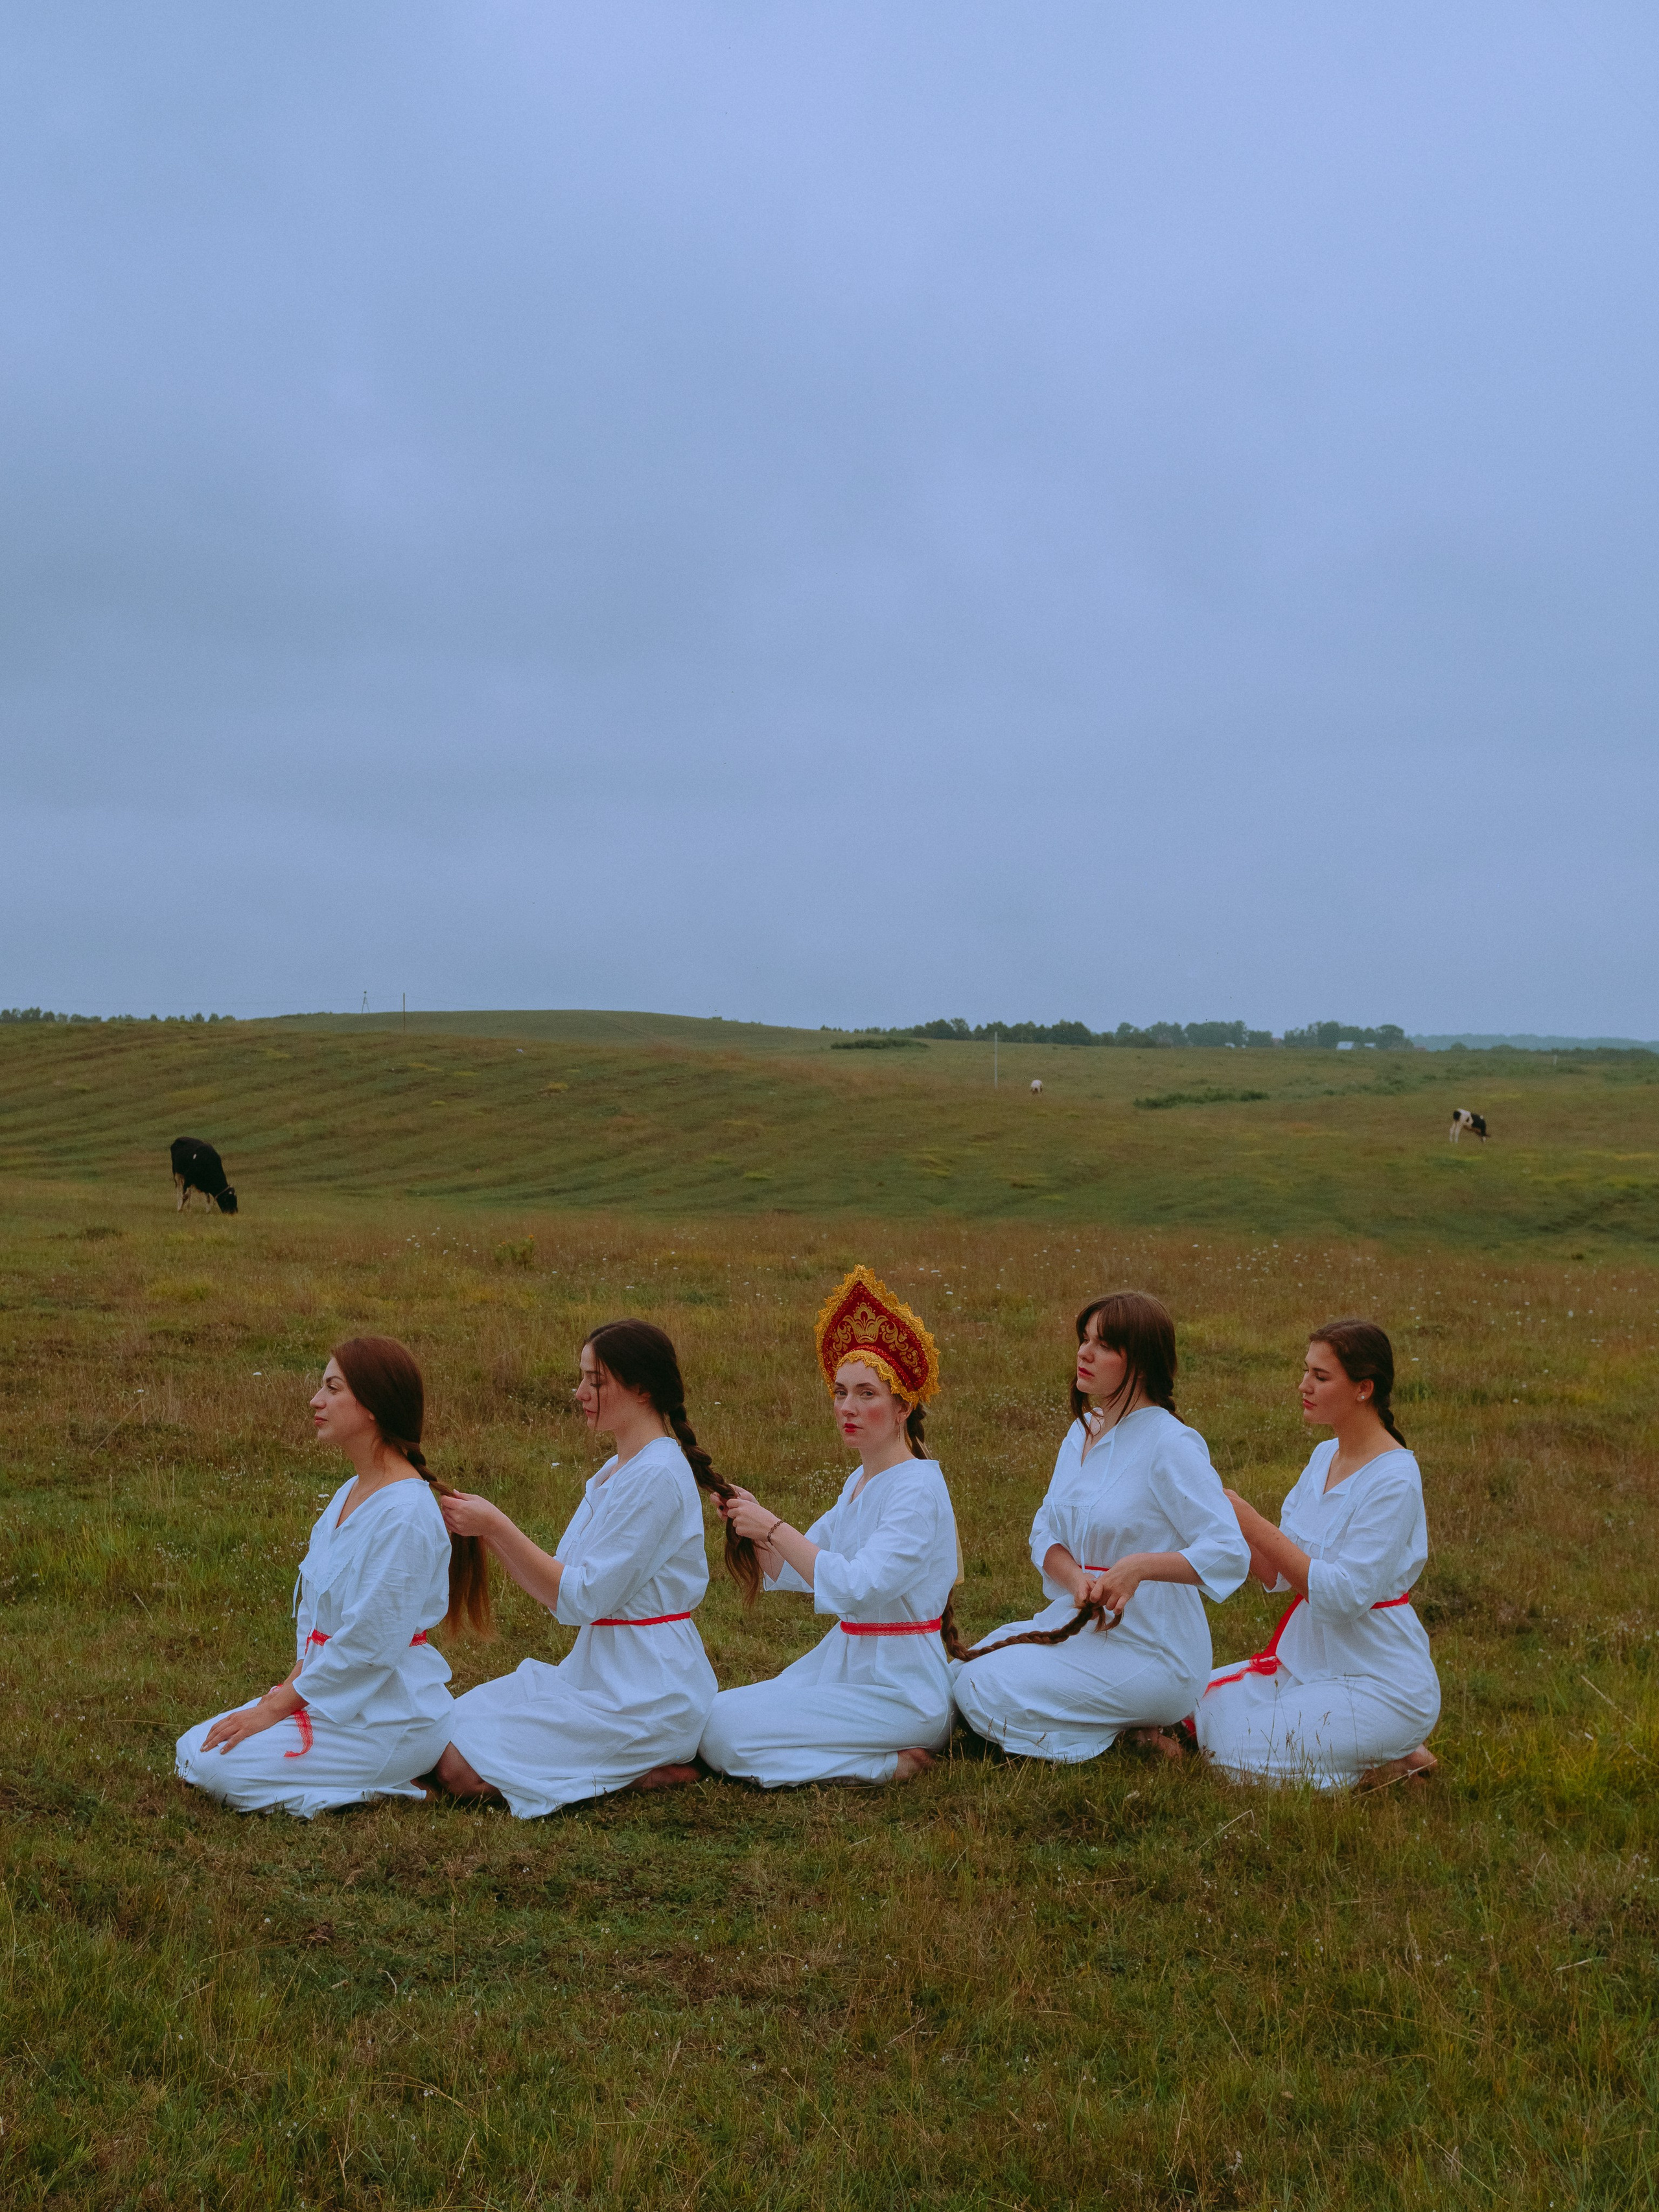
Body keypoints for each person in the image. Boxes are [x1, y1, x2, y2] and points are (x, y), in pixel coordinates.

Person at [433, 1320, 758, 1817]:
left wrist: (496, 1526)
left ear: (642, 1389)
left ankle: (647, 1768)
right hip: (594, 1673)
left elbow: (579, 1598)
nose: (580, 1392)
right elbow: (561, 1582)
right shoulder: (615, 1471)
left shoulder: (658, 1477)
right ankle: (622, 1763)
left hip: (648, 1692)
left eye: (596, 1381)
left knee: (458, 1769)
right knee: (439, 1729)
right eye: (582, 1378)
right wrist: (486, 1531)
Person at [175, 1336, 488, 1817]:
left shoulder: (405, 1513)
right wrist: (285, 1691)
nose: (315, 1400)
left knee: (219, 1772)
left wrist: (275, 1709)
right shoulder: (352, 1489)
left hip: (390, 1719)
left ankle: (395, 1782)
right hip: (333, 1696)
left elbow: (368, 1645)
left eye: (332, 1388)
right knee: (193, 1748)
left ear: (372, 1407)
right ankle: (369, 1777)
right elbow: (322, 1622)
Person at [950, 1291, 1249, 1763]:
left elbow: (1231, 1549)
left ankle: (1117, 1739)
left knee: (983, 1687)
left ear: (1143, 1361)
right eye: (1083, 1339)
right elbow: (1045, 1528)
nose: (1084, 1353)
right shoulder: (1083, 1430)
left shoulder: (1170, 1442)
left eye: (1104, 1344)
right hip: (1081, 1623)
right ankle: (1127, 1732)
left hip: (1154, 1647)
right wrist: (1074, 1580)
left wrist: (1138, 1567)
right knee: (959, 1672)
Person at [699, 1266, 959, 1788]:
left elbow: (859, 1586)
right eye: (841, 1392)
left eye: (867, 1394)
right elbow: (808, 1564)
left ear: (904, 1406)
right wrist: (755, 1527)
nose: (847, 1408)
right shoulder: (860, 1482)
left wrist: (773, 1527)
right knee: (712, 1719)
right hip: (848, 1662)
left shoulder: (917, 1490)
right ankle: (877, 1756)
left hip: (901, 1686)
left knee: (728, 1737)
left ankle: (890, 1764)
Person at [1192, 1319, 1440, 1790]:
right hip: (1310, 1663)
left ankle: (1386, 1760)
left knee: (1232, 1756)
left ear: (1364, 1388)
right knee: (1191, 1702)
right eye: (1307, 1371)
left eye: (1321, 1377)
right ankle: (1380, 1751)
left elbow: (1343, 1596)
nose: (1304, 1385)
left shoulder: (1395, 1478)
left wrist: (1247, 1517)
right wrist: (1211, 1509)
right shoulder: (1324, 1457)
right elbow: (1278, 1572)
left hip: (1381, 1683)